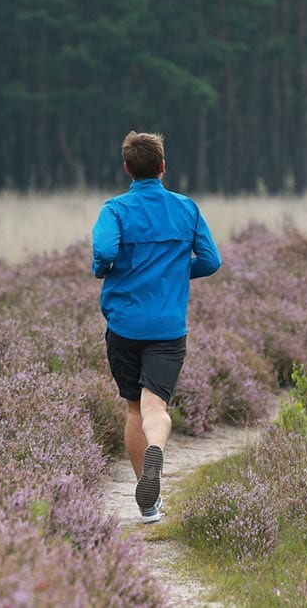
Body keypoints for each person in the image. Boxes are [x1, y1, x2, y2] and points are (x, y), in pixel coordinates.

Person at [91, 131, 222, 523]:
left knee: (134, 408)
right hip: (167, 328)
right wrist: (177, 272)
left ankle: (148, 505)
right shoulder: (186, 208)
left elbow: (103, 253)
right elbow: (211, 260)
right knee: (156, 406)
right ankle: (158, 453)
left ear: (127, 168)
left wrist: (105, 271)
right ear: (163, 166)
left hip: (125, 326)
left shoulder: (114, 210)